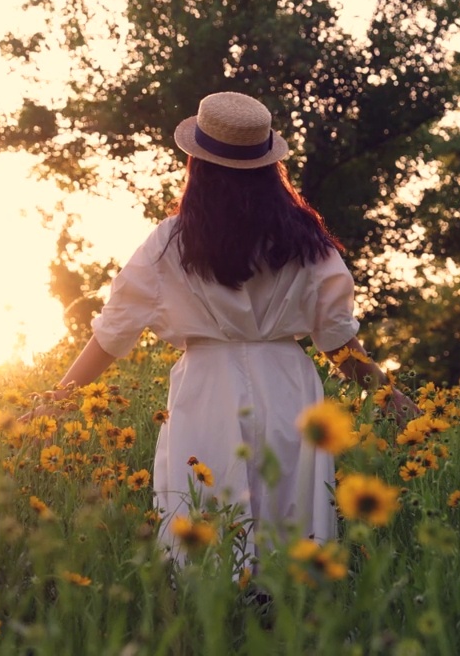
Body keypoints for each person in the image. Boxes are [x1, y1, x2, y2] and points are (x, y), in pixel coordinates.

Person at [26, 91, 418, 563]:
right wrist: (390, 396)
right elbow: (338, 343)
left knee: (207, 526)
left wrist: (56, 400)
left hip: (207, 387)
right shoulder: (306, 239)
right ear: (271, 167)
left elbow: (113, 333)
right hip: (288, 386)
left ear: (199, 165)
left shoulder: (171, 241)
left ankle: (215, 621)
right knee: (291, 523)